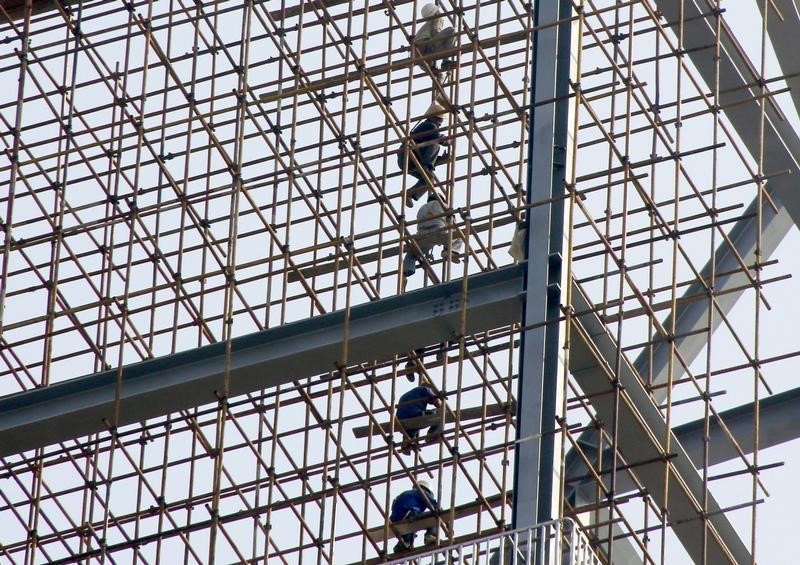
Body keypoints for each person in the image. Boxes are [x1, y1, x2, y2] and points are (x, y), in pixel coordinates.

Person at [397, 103, 449, 207]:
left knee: (429, 179)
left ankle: (410, 194)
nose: (440, 123)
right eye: (439, 119)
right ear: (432, 117)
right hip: (408, 156)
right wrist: (449, 140)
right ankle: (426, 166)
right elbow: (441, 140)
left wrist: (440, 159)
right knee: (435, 144)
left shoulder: (430, 128)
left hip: (411, 160)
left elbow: (424, 154)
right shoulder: (428, 125)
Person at [402, 194, 463, 278]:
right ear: (442, 199)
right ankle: (450, 251)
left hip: (422, 235)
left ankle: (408, 269)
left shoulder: (421, 208)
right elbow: (452, 223)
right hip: (438, 231)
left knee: (412, 253)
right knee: (458, 235)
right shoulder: (444, 205)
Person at [389, 479, 440, 552]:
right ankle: (430, 537)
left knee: (410, 528)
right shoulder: (421, 492)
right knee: (434, 517)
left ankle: (402, 544)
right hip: (408, 515)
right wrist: (447, 522)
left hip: (394, 520)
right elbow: (435, 505)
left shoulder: (405, 494)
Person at [396, 384, 443, 453]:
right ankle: (431, 435)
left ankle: (407, 442)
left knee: (414, 427)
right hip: (413, 416)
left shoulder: (413, 395)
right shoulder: (425, 389)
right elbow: (437, 402)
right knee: (441, 412)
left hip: (401, 421)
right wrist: (441, 398)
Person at [412, 3, 456, 72]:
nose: (440, 13)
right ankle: (445, 61)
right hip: (426, 52)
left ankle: (441, 63)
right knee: (451, 31)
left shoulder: (426, 28)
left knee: (439, 75)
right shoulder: (434, 21)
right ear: (435, 14)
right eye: (438, 11)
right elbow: (424, 46)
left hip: (426, 59)